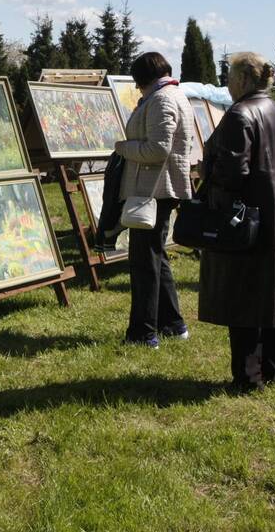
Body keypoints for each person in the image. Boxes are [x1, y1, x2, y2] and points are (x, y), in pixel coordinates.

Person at [198, 52, 275, 392]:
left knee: (244, 297)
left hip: (251, 217)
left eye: (229, 75)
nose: (226, 82)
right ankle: (272, 368)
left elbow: (232, 172)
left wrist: (206, 171)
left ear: (243, 79)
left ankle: (248, 377)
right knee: (269, 293)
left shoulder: (240, 114)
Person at [114, 51, 194, 348]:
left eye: (138, 83)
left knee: (144, 263)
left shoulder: (162, 99)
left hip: (154, 190)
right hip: (159, 188)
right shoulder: (173, 94)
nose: (137, 89)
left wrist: (124, 147)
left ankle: (144, 333)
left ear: (143, 79)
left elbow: (158, 149)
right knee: (156, 258)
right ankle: (173, 324)